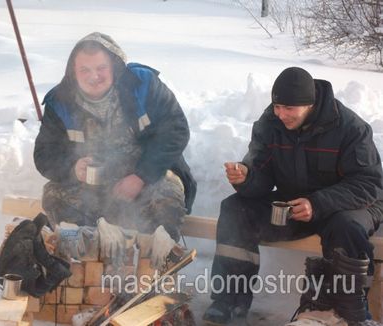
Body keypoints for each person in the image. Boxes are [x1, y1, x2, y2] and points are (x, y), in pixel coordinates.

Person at [203, 67, 383, 325]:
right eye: (277, 106)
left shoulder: (349, 127)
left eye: (289, 108)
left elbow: (368, 183)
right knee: (236, 209)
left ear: (309, 104)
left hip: (351, 204)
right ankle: (229, 301)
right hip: (296, 205)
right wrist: (247, 176)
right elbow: (261, 174)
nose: (281, 114)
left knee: (345, 227)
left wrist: (318, 203)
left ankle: (352, 313)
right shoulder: (270, 123)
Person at [34, 32, 196, 268]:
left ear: (114, 66)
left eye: (101, 68)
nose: (94, 77)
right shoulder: (60, 102)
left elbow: (176, 131)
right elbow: (43, 155)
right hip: (93, 188)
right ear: (73, 71)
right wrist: (72, 168)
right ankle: (82, 265)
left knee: (167, 191)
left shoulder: (144, 85)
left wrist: (141, 176)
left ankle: (155, 268)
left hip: (146, 178)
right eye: (85, 70)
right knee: (54, 195)